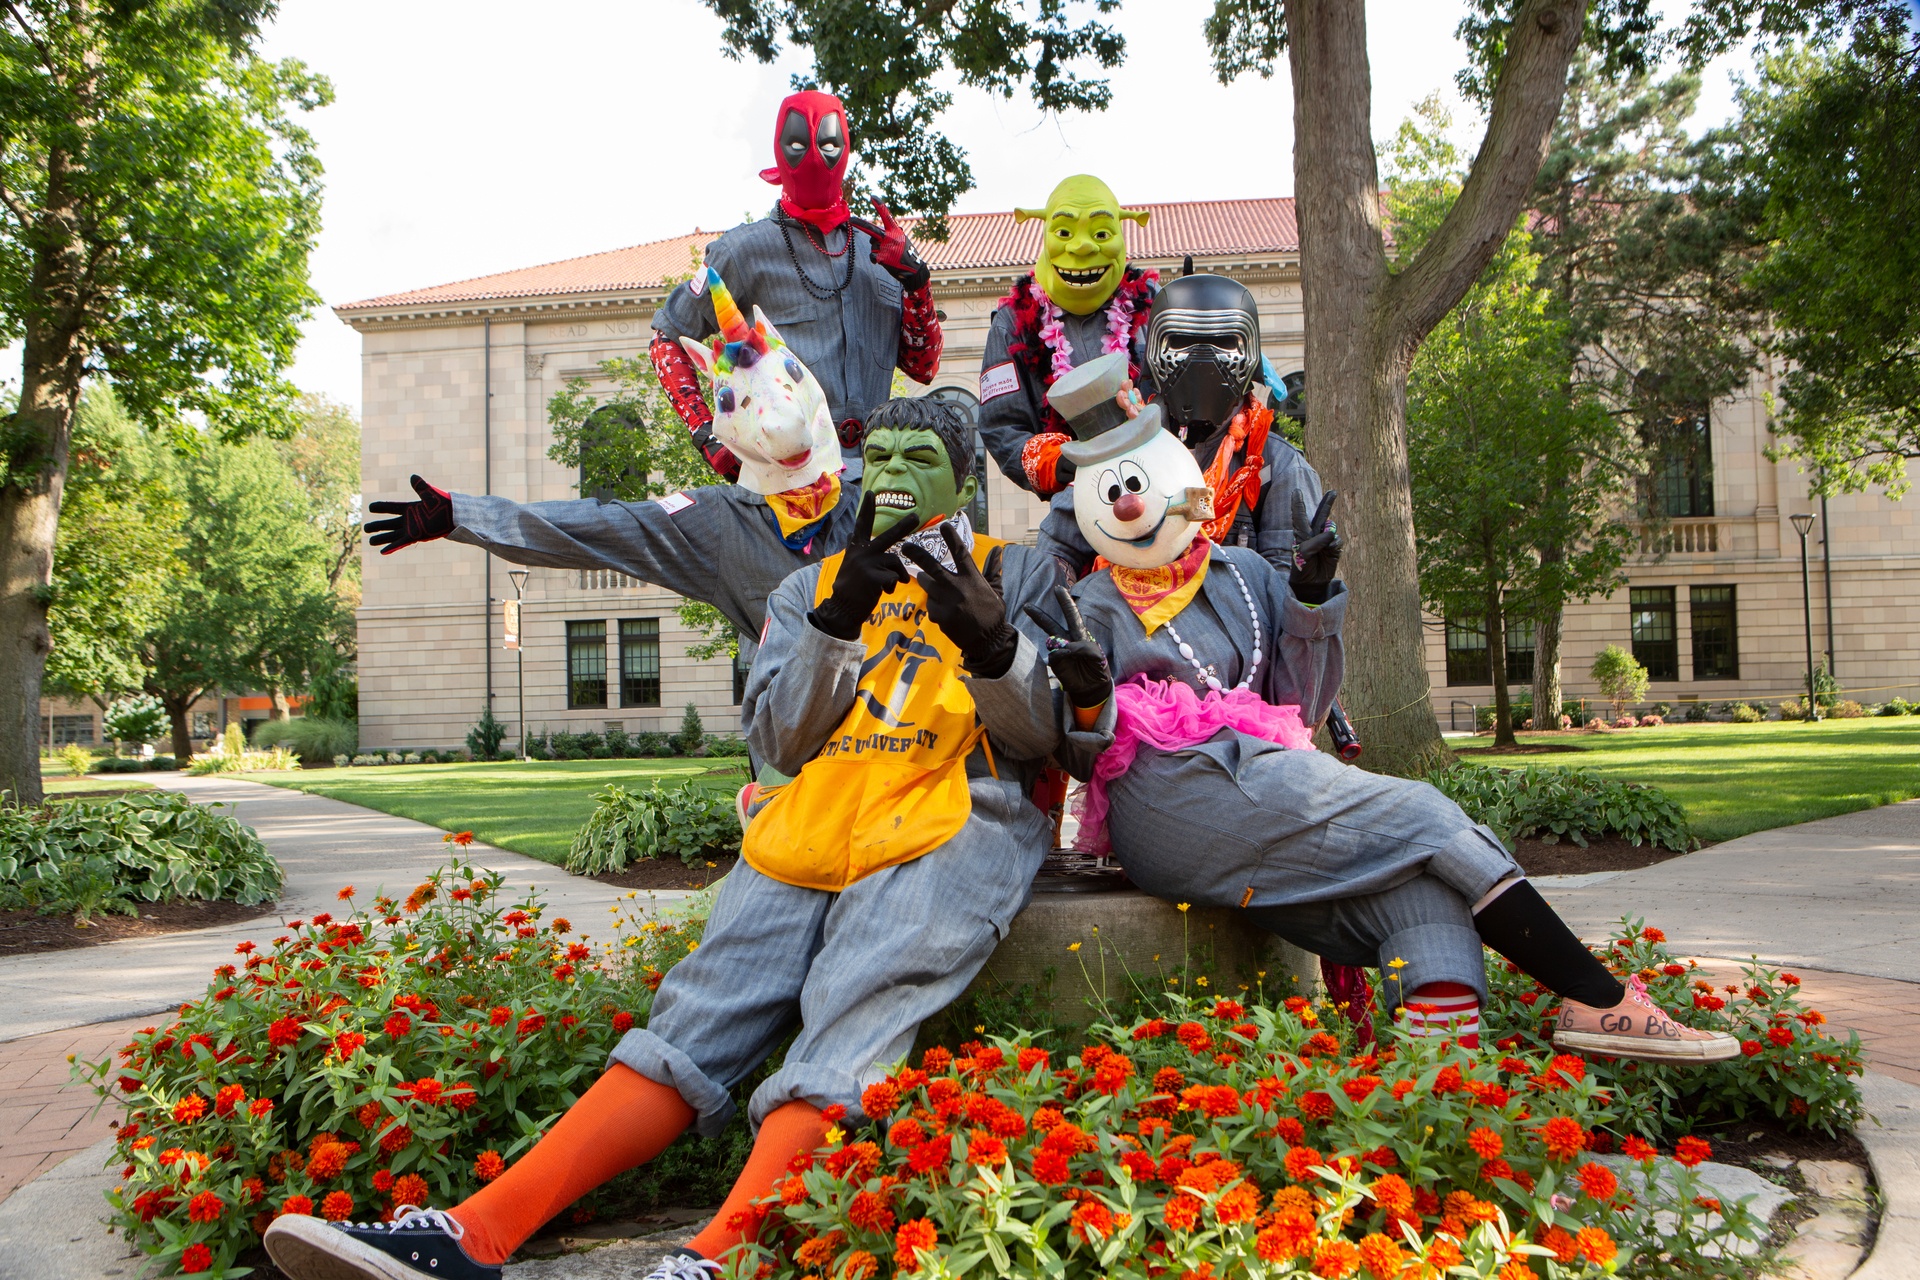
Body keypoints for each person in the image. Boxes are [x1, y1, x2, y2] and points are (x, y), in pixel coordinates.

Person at [265, 397, 1108, 1280]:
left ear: (963, 481)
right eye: (883, 454)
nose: (893, 471)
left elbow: (1052, 740)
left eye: (920, 456)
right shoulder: (807, 588)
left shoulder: (1021, 574)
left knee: (856, 1012)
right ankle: (471, 1237)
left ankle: (718, 1258)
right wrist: (835, 622)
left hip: (950, 823)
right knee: (698, 1014)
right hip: (813, 822)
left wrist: (992, 643)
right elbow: (781, 742)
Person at [1036, 357, 1739, 1063]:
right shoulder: (1085, 608)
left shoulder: (1244, 575)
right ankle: (1599, 996)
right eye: (1110, 492)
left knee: (1427, 895)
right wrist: (1090, 699)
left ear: (1179, 478)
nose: (1128, 505)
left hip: (1265, 782)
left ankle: (1438, 1094)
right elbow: (1076, 753)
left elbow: (1300, 708)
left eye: (1139, 483)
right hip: (1166, 800)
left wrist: (1311, 603)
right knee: (1424, 815)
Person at [362, 268, 859, 678]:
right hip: (798, 740)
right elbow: (599, 528)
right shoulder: (718, 524)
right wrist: (463, 515)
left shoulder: (870, 496)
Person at [650, 90, 941, 483]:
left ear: (844, 147)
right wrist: (708, 434)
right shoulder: (743, 252)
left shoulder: (880, 252)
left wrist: (917, 284)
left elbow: (923, 368)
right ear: (779, 148)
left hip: (879, 480)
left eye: (828, 144)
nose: (814, 158)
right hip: (786, 485)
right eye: (798, 144)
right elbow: (666, 338)